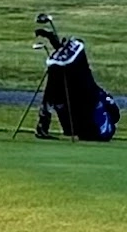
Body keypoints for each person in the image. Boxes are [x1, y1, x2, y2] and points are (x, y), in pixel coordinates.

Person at [32, 13, 117, 141]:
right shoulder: (100, 95)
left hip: (87, 128)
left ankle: (43, 124)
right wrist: (51, 39)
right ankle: (43, 125)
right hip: (87, 125)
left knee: (55, 82)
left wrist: (52, 39)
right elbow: (115, 114)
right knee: (58, 80)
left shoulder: (97, 94)